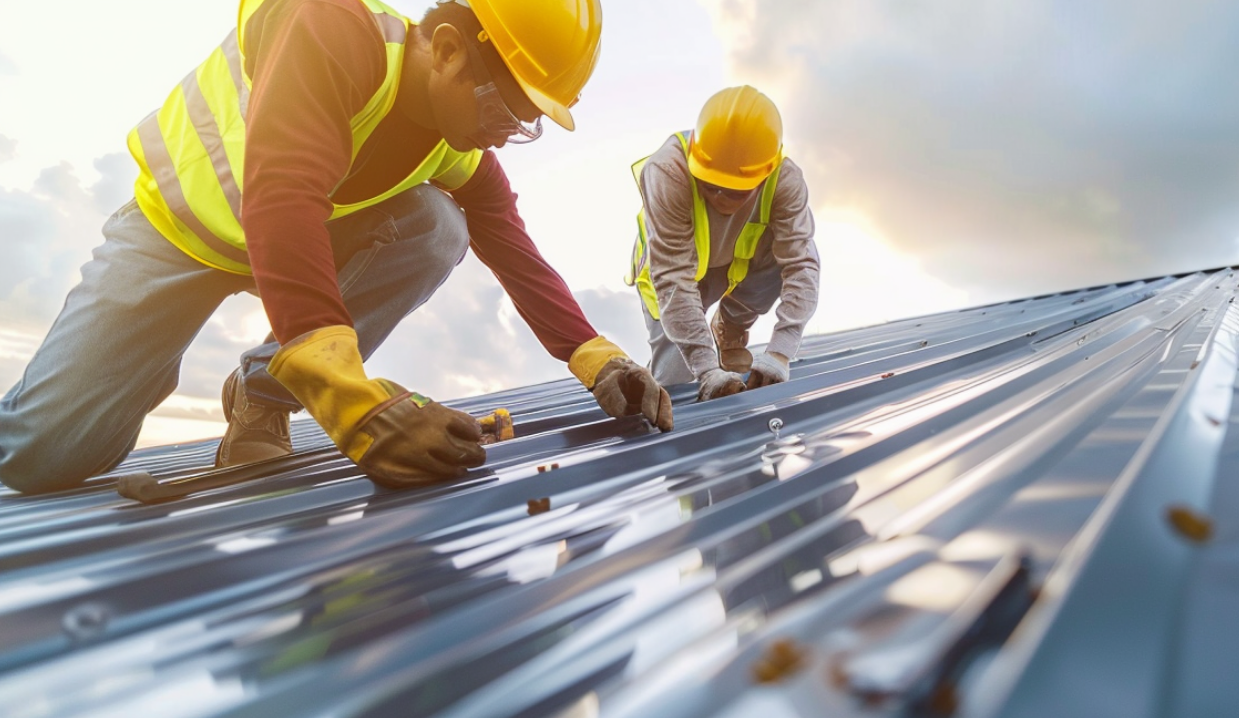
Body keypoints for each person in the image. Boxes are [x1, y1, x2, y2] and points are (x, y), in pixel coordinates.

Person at [0, 0, 673, 494]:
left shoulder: (454, 143)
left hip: (292, 241)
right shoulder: (330, 27)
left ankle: (262, 394)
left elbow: (512, 245)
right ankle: (141, 366)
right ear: (446, 50)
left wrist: (600, 360)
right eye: (507, 108)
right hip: (176, 239)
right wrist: (356, 403)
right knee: (39, 456)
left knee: (439, 227)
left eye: (528, 125)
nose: (507, 133)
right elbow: (283, 194)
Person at [628, 86, 821, 402]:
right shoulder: (667, 171)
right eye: (710, 185)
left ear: (764, 173)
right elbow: (674, 279)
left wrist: (780, 353)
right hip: (669, 274)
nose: (719, 198)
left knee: (787, 252)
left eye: (735, 191)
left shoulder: (784, 181)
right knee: (676, 385)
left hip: (734, 266)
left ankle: (730, 325)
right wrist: (707, 371)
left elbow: (802, 266)